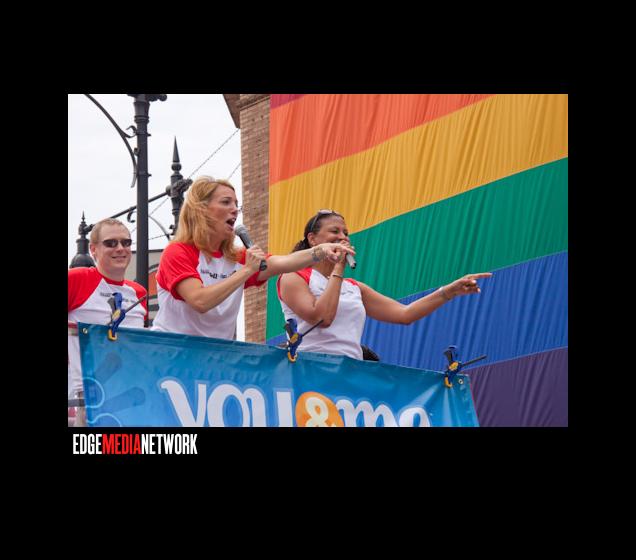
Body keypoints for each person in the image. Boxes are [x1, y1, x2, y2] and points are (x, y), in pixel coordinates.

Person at [151, 177, 354, 339]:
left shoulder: (236, 257)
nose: (235, 209)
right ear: (201, 210)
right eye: (226, 202)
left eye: (236, 204)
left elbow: (284, 262)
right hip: (173, 354)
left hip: (215, 356)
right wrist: (247, 271)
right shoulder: (178, 251)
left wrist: (321, 250)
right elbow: (200, 301)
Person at [277, 210, 492, 360]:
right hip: (310, 370)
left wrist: (449, 291)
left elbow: (405, 314)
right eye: (335, 232)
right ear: (313, 239)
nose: (343, 237)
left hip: (350, 373)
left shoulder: (354, 287)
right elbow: (322, 318)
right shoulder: (293, 276)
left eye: (346, 233)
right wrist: (339, 268)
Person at [68, 218, 148, 426]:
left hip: (134, 396)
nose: (120, 248)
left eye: (126, 242)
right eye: (111, 243)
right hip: (90, 400)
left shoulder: (139, 293)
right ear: (93, 250)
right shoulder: (76, 279)